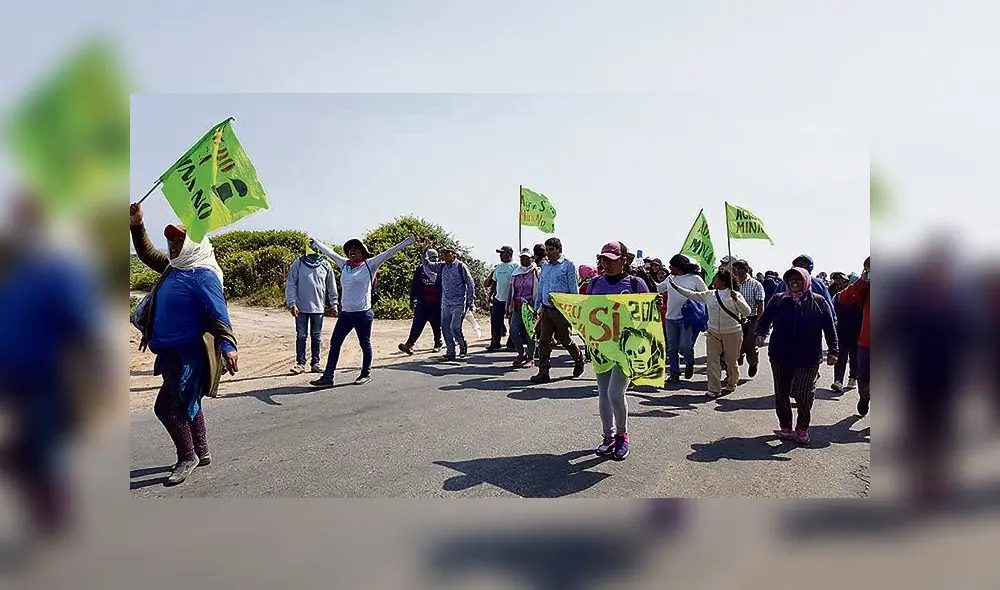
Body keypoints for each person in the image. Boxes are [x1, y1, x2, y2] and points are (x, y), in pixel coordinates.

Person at [129, 202, 238, 485]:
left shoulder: (203, 275)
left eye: (180, 240)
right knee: (187, 402)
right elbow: (147, 254)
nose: (174, 245)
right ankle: (201, 452)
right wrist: (137, 225)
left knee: (165, 408)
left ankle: (186, 456)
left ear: (194, 244)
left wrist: (228, 348)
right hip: (169, 352)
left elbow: (219, 314)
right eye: (171, 241)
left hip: (190, 355)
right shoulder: (174, 268)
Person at [309, 233, 417, 387]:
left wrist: (409, 240)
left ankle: (365, 373)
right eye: (350, 249)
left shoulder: (369, 265)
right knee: (335, 343)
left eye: (356, 249)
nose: (353, 251)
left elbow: (389, 252)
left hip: (363, 314)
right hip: (346, 314)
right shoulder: (345, 265)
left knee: (364, 344)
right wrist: (317, 243)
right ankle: (328, 377)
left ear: (363, 252)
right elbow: (331, 253)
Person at [755, 267, 838, 445]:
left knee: (804, 394)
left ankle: (802, 428)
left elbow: (830, 329)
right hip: (780, 355)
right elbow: (764, 321)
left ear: (806, 281)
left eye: (798, 279)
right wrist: (760, 334)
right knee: (782, 393)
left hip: (808, 357)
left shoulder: (819, 302)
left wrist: (833, 351)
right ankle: (785, 427)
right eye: (791, 279)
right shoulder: (778, 300)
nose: (794, 282)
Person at [587, 241, 649, 461]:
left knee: (615, 393)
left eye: (611, 260)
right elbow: (586, 315)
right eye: (603, 259)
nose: (606, 264)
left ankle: (622, 436)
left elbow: (647, 318)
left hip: (626, 348)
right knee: (602, 392)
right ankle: (608, 437)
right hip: (601, 347)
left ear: (624, 260)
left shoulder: (635, 283)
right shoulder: (594, 284)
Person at [667, 268, 750, 398]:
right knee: (712, 361)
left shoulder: (735, 295)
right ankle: (714, 389)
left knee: (731, 361)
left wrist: (737, 300)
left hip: (732, 332)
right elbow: (691, 294)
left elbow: (747, 312)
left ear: (723, 282)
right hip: (713, 332)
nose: (713, 281)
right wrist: (675, 287)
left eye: (716, 279)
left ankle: (731, 384)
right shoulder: (709, 294)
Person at [531, 237, 585, 384]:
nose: (548, 253)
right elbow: (541, 288)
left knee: (565, 339)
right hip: (547, 310)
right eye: (547, 250)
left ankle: (579, 359)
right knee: (544, 341)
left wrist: (573, 311)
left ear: (559, 250)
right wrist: (537, 308)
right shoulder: (546, 267)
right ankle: (543, 372)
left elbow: (574, 290)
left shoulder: (568, 266)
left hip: (562, 311)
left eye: (551, 250)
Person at [420, 240, 477, 361]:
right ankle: (450, 352)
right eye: (444, 253)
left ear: (454, 254)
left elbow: (470, 283)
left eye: (448, 253)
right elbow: (427, 264)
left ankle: (462, 345)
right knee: (445, 328)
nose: (445, 255)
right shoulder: (442, 266)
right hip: (445, 303)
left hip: (459, 303)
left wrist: (471, 301)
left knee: (455, 327)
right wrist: (424, 250)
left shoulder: (461, 266)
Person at [285, 247, 339, 374]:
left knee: (316, 336)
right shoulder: (297, 264)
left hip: (318, 308)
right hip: (301, 308)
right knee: (301, 336)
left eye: (315, 247)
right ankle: (300, 364)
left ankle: (315, 363)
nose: (313, 249)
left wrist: (334, 304)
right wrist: (292, 303)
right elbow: (291, 284)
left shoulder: (325, 264)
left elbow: (332, 286)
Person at [659, 255, 708, 384]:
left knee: (686, 346)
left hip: (688, 317)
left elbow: (706, 295)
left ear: (679, 267)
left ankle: (689, 362)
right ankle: (674, 373)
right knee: (672, 348)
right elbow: (659, 288)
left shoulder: (695, 279)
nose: (669, 268)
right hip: (670, 317)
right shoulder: (670, 278)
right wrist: (646, 277)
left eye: (672, 265)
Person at [837, 256, 870, 416]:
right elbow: (843, 298)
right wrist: (862, 282)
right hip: (866, 343)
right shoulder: (865, 289)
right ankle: (864, 396)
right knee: (863, 378)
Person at [398, 249, 444, 355]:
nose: (433, 261)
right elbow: (415, 285)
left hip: (437, 303)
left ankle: (438, 344)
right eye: (430, 258)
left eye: (435, 258)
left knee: (437, 325)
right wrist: (413, 299)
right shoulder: (420, 269)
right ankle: (409, 345)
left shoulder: (440, 269)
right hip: (423, 303)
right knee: (417, 324)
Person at [772, 255, 837, 324]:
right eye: (798, 264)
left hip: (812, 325)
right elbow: (773, 304)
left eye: (803, 264)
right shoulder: (784, 283)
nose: (800, 266)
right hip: (786, 323)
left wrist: (833, 322)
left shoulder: (818, 284)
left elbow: (828, 304)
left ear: (810, 266)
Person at [506, 248, 540, 368]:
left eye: (527, 258)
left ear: (532, 259)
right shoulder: (516, 273)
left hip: (530, 308)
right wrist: (508, 306)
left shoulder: (536, 272)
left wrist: (537, 306)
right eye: (522, 258)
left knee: (529, 333)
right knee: (513, 331)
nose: (524, 260)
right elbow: (511, 290)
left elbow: (539, 289)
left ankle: (531, 357)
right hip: (517, 306)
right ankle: (521, 353)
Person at [732, 260, 764, 378]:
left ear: (745, 269)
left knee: (750, 345)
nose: (735, 271)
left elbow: (760, 304)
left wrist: (760, 323)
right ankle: (732, 372)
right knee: (733, 346)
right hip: (734, 319)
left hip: (751, 319)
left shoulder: (755, 284)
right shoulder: (731, 284)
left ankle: (753, 363)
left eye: (738, 268)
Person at [484, 245, 519, 351]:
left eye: (502, 253)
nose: (500, 255)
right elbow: (494, 283)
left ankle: (512, 343)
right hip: (499, 299)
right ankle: (495, 343)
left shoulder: (516, 266)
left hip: (511, 300)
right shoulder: (498, 267)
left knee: (512, 322)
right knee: (495, 321)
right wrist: (490, 295)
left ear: (509, 254)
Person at [831, 280, 863, 393]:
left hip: (856, 333)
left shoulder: (859, 299)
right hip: (841, 333)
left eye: (843, 284)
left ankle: (852, 378)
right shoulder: (835, 298)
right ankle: (838, 381)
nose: (840, 286)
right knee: (840, 358)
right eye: (838, 284)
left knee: (854, 358)